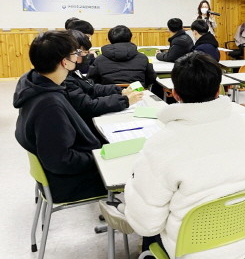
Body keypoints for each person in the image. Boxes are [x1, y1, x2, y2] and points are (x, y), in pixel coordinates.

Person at [103, 52, 245, 259]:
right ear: (218, 90)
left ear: (175, 94)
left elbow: (147, 225)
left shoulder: (161, 144)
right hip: (244, 241)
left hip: (190, 252)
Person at [13, 31, 106, 202]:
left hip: (61, 171)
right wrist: (99, 157)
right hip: (68, 182)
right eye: (75, 54)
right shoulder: (49, 104)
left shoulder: (32, 82)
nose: (78, 58)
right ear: (65, 62)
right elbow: (61, 160)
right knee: (135, 167)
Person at [64, 30, 143, 136]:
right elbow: (88, 106)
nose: (85, 56)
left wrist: (120, 91)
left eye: (86, 52)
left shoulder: (73, 71)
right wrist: (125, 100)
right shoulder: (65, 78)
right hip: (83, 129)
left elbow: (91, 88)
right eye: (80, 52)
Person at [87, 25, 157, 87]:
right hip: (137, 94)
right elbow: (151, 79)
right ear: (130, 38)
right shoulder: (142, 58)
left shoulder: (100, 59)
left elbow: (92, 80)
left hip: (108, 96)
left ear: (109, 39)